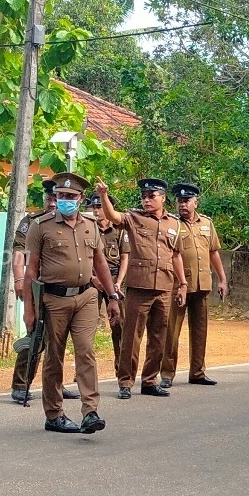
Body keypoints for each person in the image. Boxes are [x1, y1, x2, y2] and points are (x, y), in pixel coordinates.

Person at [23, 172, 121, 433]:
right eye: (60, 196)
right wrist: (28, 310)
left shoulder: (90, 225)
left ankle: (90, 411)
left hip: (86, 297)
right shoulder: (40, 226)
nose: (64, 200)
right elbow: (30, 271)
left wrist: (112, 297)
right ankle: (54, 414)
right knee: (54, 356)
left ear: (80, 199)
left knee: (86, 351)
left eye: (70, 196)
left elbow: (100, 262)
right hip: (53, 299)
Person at [94, 177, 188, 400]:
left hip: (165, 287)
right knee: (131, 337)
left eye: (151, 196)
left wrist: (182, 284)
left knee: (159, 336)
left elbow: (176, 256)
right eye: (144, 196)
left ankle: (149, 381)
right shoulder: (134, 218)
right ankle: (125, 382)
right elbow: (113, 216)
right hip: (139, 287)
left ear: (163, 198)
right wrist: (104, 195)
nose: (146, 200)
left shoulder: (174, 224)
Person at [10, 179, 79, 403]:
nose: (52, 203)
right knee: (34, 335)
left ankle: (55, 385)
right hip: (37, 287)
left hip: (60, 288)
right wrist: (19, 279)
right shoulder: (31, 222)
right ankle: (21, 384)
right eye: (49, 199)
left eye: (55, 199)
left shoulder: (71, 223)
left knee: (57, 339)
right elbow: (19, 253)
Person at [160, 183, 229, 387]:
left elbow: (214, 252)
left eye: (187, 201)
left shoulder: (207, 223)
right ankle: (167, 374)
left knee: (200, 330)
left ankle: (197, 372)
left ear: (195, 202)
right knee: (171, 331)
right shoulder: (172, 224)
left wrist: (222, 279)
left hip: (202, 285)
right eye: (180, 201)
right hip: (178, 286)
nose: (183, 204)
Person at [88, 192, 130, 371]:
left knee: (119, 323)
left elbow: (125, 257)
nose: (97, 211)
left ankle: (121, 367)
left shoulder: (120, 230)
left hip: (114, 279)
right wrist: (93, 278)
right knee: (87, 325)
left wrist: (119, 282)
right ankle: (84, 369)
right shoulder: (88, 228)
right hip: (91, 281)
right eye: (94, 207)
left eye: (100, 207)